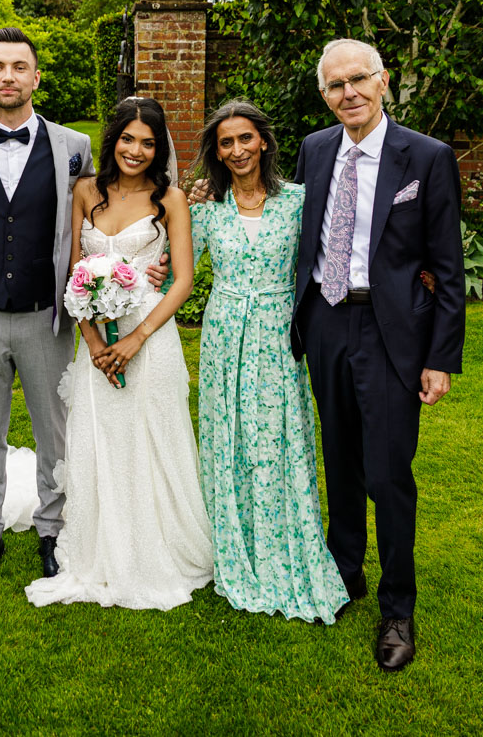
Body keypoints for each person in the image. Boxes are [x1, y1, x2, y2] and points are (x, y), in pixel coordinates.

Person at [291, 38, 466, 671]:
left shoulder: (425, 156)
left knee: (389, 471)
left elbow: (448, 266)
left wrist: (441, 358)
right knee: (338, 458)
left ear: (383, 81)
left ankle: (397, 606)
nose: (349, 93)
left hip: (393, 333)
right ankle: (346, 572)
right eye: (336, 86)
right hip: (326, 323)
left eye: (359, 80)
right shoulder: (313, 151)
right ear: (324, 95)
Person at [25, 97, 212, 611]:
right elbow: (73, 269)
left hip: (150, 338)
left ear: (160, 148)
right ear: (112, 142)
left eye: (148, 142)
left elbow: (184, 280)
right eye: (128, 139)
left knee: (152, 438)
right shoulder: (85, 191)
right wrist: (94, 341)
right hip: (95, 342)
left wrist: (135, 339)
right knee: (99, 437)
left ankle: (159, 545)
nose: (136, 150)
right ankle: (97, 547)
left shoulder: (170, 199)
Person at [0, 27, 96, 588]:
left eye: (18, 67)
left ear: (36, 77)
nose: (8, 77)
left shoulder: (74, 146)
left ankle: (53, 529)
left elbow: (93, 219)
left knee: (53, 429)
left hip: (44, 314)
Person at [190, 99, 350, 623]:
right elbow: (171, 268)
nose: (237, 151)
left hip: (280, 335)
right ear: (217, 152)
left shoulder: (299, 201)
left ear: (263, 141)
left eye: (245, 139)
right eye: (226, 143)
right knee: (229, 435)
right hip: (223, 334)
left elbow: (345, 247)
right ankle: (234, 544)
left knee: (279, 436)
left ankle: (285, 545)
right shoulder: (206, 209)